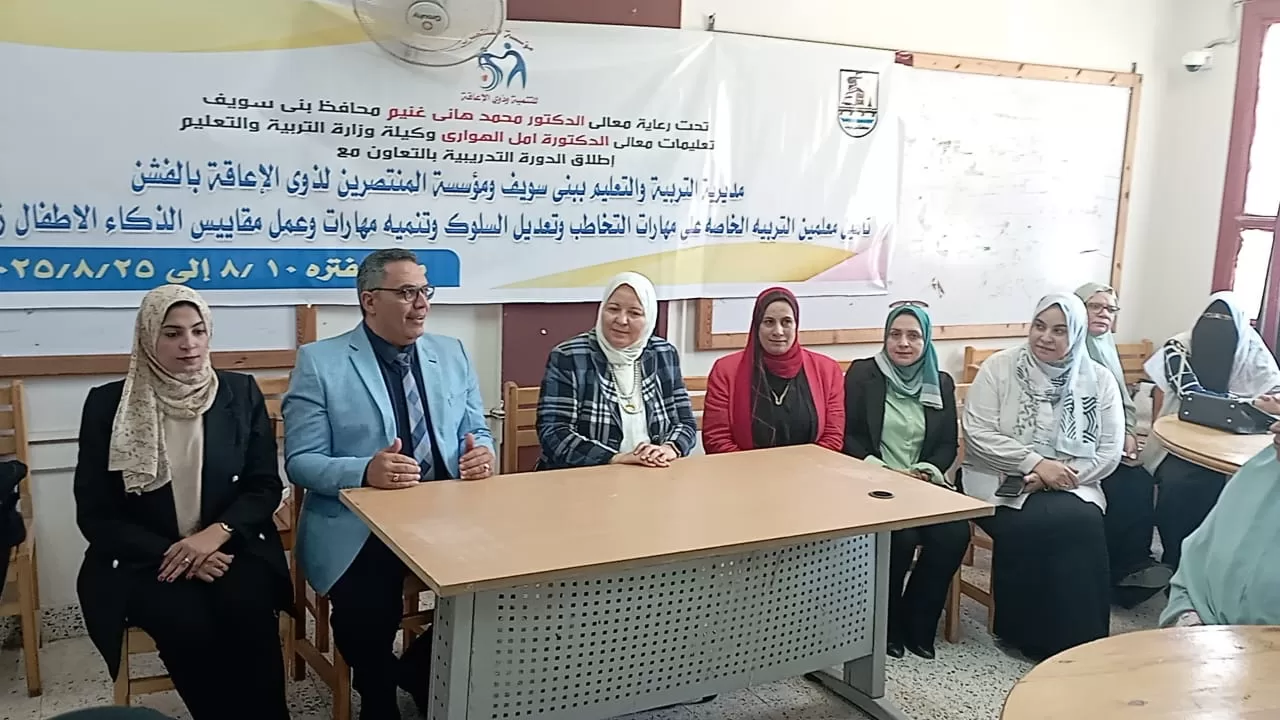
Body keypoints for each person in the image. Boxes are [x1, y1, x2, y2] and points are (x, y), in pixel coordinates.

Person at [284, 248, 495, 720]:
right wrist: (364, 470)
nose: (421, 304)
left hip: (447, 512)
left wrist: (483, 453)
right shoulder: (321, 362)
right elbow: (300, 462)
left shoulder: (452, 353)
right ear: (369, 300)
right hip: (361, 524)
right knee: (367, 609)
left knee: (508, 580)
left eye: (424, 291)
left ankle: (417, 671)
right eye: (406, 293)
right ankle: (378, 697)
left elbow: (478, 429)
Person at [74, 285, 292, 720]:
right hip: (147, 558)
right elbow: (96, 514)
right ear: (147, 337)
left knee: (249, 614)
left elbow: (264, 486)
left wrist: (215, 536)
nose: (188, 344)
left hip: (229, 546)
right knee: (187, 626)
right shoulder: (108, 405)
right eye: (172, 333)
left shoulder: (239, 392)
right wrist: (178, 552)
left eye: (198, 331)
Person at [960, 293, 1125, 660]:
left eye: (1059, 330)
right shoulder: (1000, 367)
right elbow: (978, 433)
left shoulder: (1098, 380)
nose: (1045, 337)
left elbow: (1108, 451)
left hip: (1074, 483)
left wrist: (1056, 475)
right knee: (1036, 521)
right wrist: (1035, 463)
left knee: (1082, 521)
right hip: (997, 478)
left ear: (1077, 334)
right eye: (1039, 326)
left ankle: (1083, 639)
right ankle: (1023, 634)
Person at [843, 304, 967, 659]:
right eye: (895, 334)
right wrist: (881, 469)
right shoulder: (863, 374)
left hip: (924, 483)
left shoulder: (940, 381)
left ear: (926, 341)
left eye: (913, 336)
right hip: (875, 484)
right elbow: (849, 435)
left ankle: (919, 623)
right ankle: (888, 626)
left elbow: (947, 443)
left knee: (954, 534)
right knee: (901, 537)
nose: (903, 343)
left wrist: (925, 471)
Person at [1142, 291, 1280, 572]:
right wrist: (1252, 403)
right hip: (1179, 441)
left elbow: (1276, 395)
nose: (1217, 331)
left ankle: (1223, 568)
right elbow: (1191, 395)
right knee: (1181, 485)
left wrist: (1266, 404)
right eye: (1211, 320)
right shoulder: (1178, 347)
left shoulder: (1252, 350)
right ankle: (1177, 562)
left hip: (1240, 446)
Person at [536, 272, 697, 470]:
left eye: (634, 313)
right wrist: (615, 458)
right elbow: (554, 433)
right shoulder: (569, 356)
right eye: (613, 309)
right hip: (586, 474)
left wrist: (669, 448)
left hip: (653, 472)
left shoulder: (663, 353)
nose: (621, 320)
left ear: (649, 318)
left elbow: (685, 422)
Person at [1074, 283, 1171, 605]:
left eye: (1110, 309)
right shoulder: (1067, 346)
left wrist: (1127, 431)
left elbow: (1121, 401)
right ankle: (1116, 570)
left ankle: (1135, 563)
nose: (1104, 313)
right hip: (1076, 447)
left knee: (1139, 479)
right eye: (1095, 306)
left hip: (1111, 442)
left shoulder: (1104, 346)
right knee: (1124, 485)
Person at [1160, 413, 1280, 628]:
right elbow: (1192, 569)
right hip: (1207, 634)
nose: (1275, 428)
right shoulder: (1262, 468)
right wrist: (1188, 619)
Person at [703, 287, 844, 454]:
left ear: (796, 325)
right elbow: (717, 439)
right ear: (757, 326)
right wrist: (755, 468)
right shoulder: (725, 371)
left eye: (786, 322)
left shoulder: (827, 370)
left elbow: (833, 437)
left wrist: (804, 467)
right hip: (744, 468)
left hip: (811, 468)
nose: (778, 331)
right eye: (769, 322)